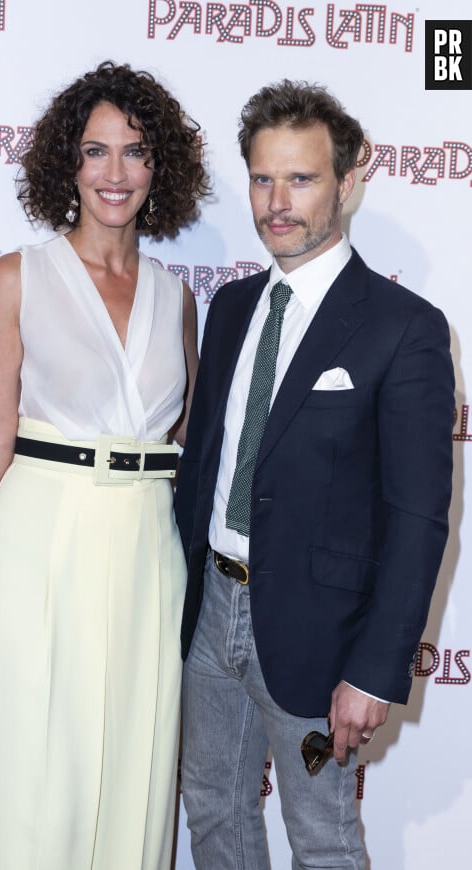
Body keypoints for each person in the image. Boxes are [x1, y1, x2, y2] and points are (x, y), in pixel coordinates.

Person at [0, 60, 208, 870]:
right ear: (68, 164)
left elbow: (190, 438)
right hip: (38, 539)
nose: (114, 174)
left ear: (161, 168)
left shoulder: (177, 296)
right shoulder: (19, 278)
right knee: (35, 775)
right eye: (95, 152)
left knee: (135, 764)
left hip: (146, 549)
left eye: (134, 151)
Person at [175, 79, 454, 869]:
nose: (277, 202)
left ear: (348, 182)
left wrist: (374, 669)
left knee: (324, 842)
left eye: (301, 178)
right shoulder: (230, 308)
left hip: (318, 634)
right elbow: (204, 471)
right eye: (263, 178)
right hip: (209, 615)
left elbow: (419, 518)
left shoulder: (406, 330)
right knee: (215, 819)